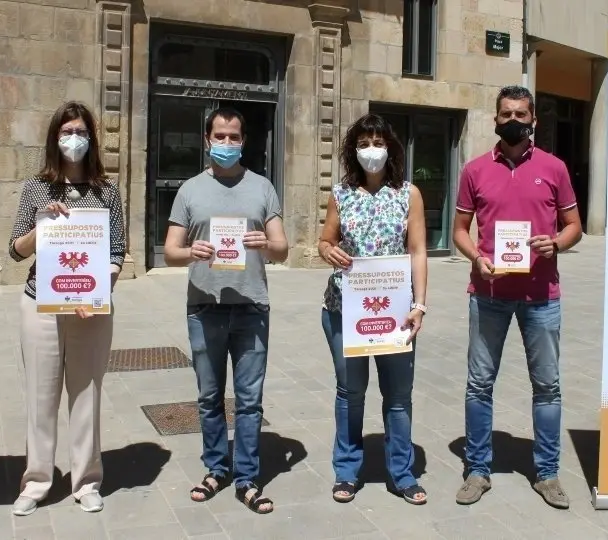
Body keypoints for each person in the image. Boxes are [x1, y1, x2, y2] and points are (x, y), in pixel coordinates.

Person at [452, 86, 582, 509]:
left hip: (541, 295)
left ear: (533, 121)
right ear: (495, 119)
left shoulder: (555, 168)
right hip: (488, 293)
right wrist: (476, 257)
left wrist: (556, 245)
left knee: (547, 386)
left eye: (521, 114)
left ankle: (547, 474)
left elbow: (573, 225)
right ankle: (477, 469)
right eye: (506, 113)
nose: (513, 120)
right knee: (479, 384)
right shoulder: (474, 170)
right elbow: (459, 231)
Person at [163, 107, 289, 515]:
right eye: (220, 136)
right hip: (204, 306)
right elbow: (170, 251)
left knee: (249, 400)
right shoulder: (190, 191)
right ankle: (217, 468)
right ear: (207, 139)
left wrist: (263, 245)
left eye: (234, 137)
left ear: (244, 140)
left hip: (252, 307)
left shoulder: (262, 187)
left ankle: (248, 477)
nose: (228, 144)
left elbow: (282, 247)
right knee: (210, 396)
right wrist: (190, 252)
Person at [8, 101, 126, 515]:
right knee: (40, 396)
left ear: (91, 139)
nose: (72, 139)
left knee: (86, 394)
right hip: (40, 301)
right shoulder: (36, 188)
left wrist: (96, 292)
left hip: (90, 308)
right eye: (65, 132)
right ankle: (37, 481)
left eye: (79, 132)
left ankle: (87, 479)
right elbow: (15, 250)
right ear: (54, 139)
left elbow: (117, 251)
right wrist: (42, 226)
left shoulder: (107, 192)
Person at [318, 113, 429, 505]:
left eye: (378, 142)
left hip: (395, 311)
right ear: (353, 150)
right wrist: (328, 250)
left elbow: (417, 250)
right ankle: (346, 471)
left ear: (390, 148)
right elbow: (325, 240)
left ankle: (402, 472)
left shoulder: (408, 194)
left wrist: (419, 303)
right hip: (344, 309)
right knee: (350, 393)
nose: (371, 151)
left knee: (398, 395)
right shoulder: (341, 194)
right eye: (363, 143)